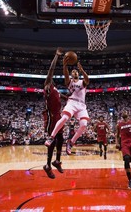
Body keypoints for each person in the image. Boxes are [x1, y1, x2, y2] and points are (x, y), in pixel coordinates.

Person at [45, 55, 90, 156]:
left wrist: (82, 70)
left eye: (76, 72)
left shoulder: (82, 82)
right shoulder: (69, 82)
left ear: (78, 74)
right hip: (72, 102)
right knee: (64, 118)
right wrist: (65, 65)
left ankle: (71, 142)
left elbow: (87, 80)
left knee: (84, 125)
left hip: (82, 105)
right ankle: (51, 137)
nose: (74, 72)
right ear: (71, 74)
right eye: (73, 72)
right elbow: (65, 74)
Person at [43, 47, 66, 179]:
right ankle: (47, 165)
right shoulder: (47, 86)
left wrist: (69, 98)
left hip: (58, 116)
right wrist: (56, 56)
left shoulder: (55, 88)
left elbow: (60, 95)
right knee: (53, 141)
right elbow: (51, 71)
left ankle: (56, 161)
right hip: (52, 117)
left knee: (61, 138)